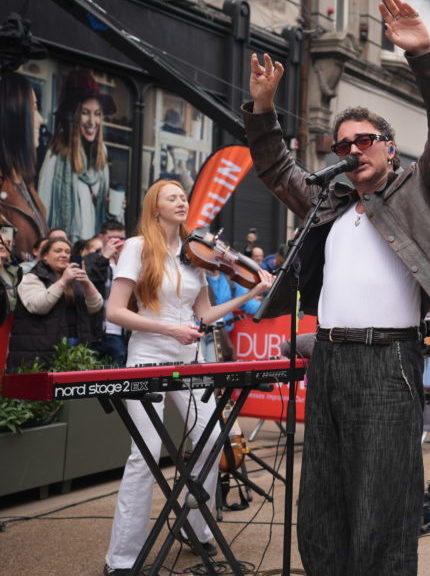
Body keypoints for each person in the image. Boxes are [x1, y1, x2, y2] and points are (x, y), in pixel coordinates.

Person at [242, 1, 430, 571]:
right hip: (328, 361)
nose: (352, 152)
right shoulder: (328, 203)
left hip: (387, 362)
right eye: (342, 145)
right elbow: (275, 171)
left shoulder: (417, 191)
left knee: (383, 500)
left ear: (389, 147)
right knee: (321, 498)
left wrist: (422, 54)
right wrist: (263, 110)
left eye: (364, 140)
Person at [101, 181, 272, 576]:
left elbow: (206, 316)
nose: (181, 201)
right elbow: (114, 311)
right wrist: (169, 331)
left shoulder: (196, 255)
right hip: (147, 355)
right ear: (155, 207)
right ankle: (122, 560)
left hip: (189, 355)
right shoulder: (138, 247)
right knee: (144, 454)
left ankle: (194, 529)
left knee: (212, 439)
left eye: (184, 196)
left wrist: (251, 294)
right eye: (171, 196)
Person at [37, 69, 115, 243]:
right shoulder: (57, 154)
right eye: (85, 112)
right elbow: (44, 210)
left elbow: (98, 212)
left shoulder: (101, 154)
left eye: (97, 114)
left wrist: (112, 206)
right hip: (65, 250)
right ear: (74, 116)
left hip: (92, 250)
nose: (92, 122)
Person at [5, 237, 103, 372]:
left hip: (75, 347)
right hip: (38, 353)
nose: (64, 255)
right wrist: (63, 281)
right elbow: (38, 306)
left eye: (68, 252)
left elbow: (95, 306)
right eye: (58, 251)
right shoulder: (30, 278)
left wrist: (87, 283)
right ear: (45, 256)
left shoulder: (75, 280)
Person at [0, 72, 49, 261]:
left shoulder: (23, 183)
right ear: (15, 118)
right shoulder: (5, 187)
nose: (41, 120)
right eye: (34, 109)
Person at [83, 219, 128, 366]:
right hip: (95, 330)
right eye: (112, 238)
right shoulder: (91, 259)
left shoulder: (127, 263)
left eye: (121, 239)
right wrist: (105, 257)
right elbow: (92, 280)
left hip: (119, 330)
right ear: (102, 238)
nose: (117, 242)